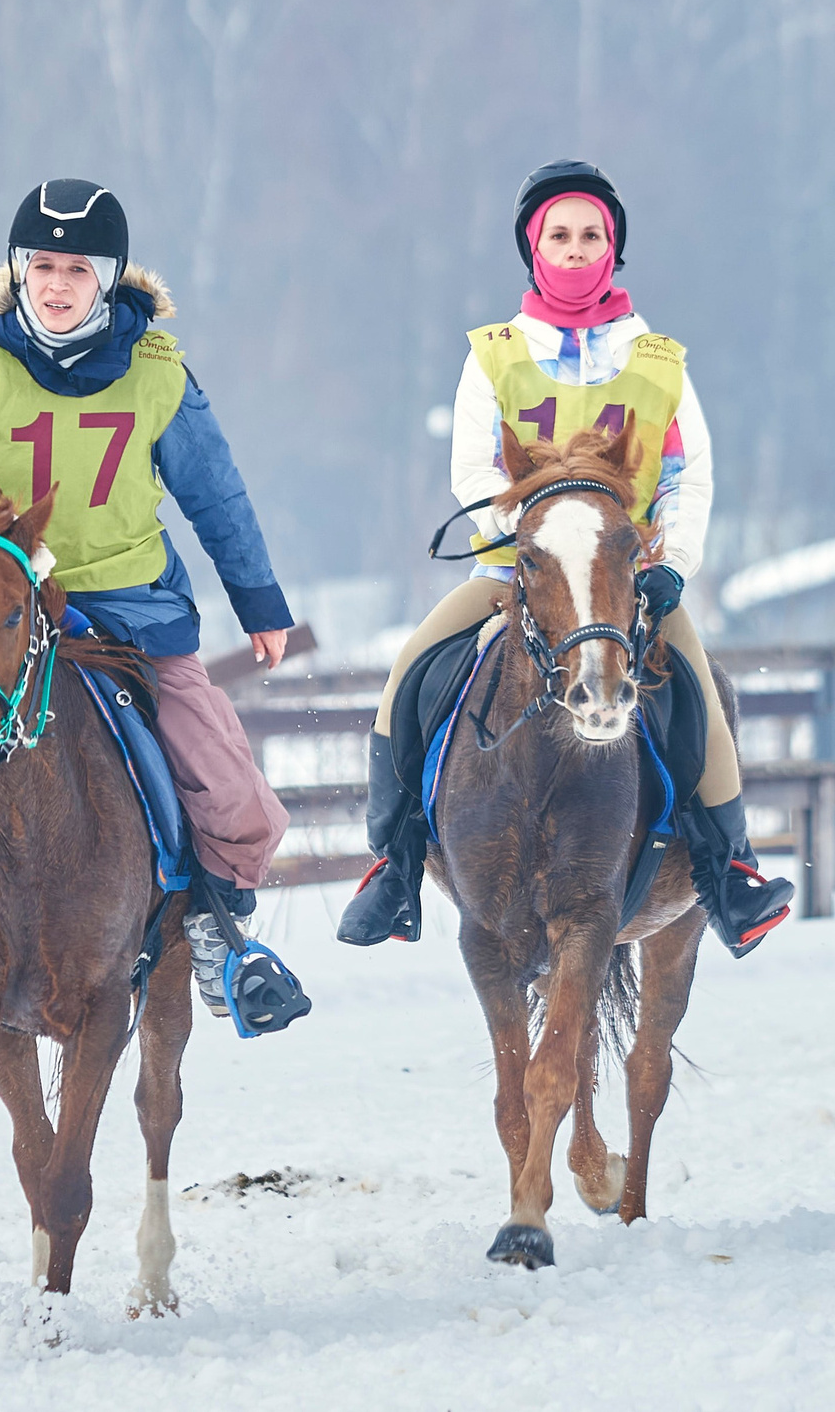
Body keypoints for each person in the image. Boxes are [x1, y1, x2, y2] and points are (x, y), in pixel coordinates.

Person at [0, 178, 297, 1015]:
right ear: (19, 272)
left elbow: (214, 493)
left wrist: (258, 601)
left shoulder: (158, 376)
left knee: (224, 778)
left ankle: (225, 939)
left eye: (76, 270)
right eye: (41, 266)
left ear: (108, 280)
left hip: (129, 618)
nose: (55, 285)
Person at [337, 159, 793, 957]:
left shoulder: (658, 360)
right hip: (520, 573)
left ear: (613, 250)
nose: (576, 249)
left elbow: (688, 476)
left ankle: (730, 872)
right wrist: (523, 550)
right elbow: (475, 472)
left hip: (629, 584)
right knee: (410, 669)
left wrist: (671, 564)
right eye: (561, 235)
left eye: (591, 236)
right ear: (534, 248)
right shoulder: (493, 353)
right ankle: (395, 861)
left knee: (700, 692)